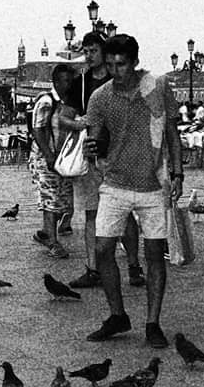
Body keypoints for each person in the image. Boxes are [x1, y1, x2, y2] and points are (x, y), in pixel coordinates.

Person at [84, 34, 183, 350]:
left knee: (154, 255)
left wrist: (178, 172)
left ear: (135, 62)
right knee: (102, 250)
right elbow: (96, 138)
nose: (116, 70)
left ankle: (153, 323)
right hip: (115, 183)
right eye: (110, 64)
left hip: (153, 183)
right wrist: (92, 148)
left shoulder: (157, 88)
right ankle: (118, 315)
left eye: (122, 64)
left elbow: (171, 133)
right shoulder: (100, 97)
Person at [59, 33, 143, 290]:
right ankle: (93, 268)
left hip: (117, 156)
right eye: (86, 50)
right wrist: (80, 124)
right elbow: (63, 117)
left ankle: (133, 265)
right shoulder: (80, 83)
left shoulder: (117, 80)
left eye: (93, 50)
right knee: (91, 213)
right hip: (90, 157)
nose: (89, 55)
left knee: (125, 213)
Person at [29, 64, 76, 259]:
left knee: (61, 199)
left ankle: (47, 233)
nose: (69, 84)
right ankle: (53, 243)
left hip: (62, 159)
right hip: (46, 159)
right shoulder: (47, 102)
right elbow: (38, 129)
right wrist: (48, 155)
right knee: (51, 200)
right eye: (66, 81)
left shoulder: (68, 102)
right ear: (56, 82)